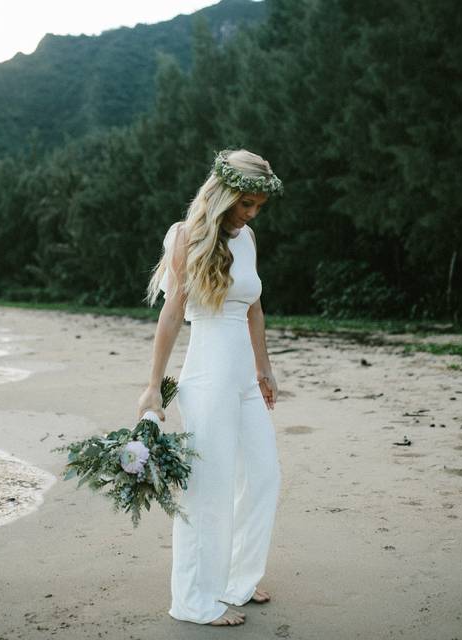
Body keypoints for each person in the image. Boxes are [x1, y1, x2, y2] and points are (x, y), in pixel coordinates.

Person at [137, 148, 283, 627]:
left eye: (258, 206)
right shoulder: (187, 236)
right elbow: (172, 312)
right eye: (246, 204)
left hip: (243, 375)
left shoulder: (249, 239)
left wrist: (264, 370)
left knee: (263, 475)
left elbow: (255, 308)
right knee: (210, 487)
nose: (251, 214)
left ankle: (237, 580)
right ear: (223, 197)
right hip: (207, 375)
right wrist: (153, 387)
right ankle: (196, 599)